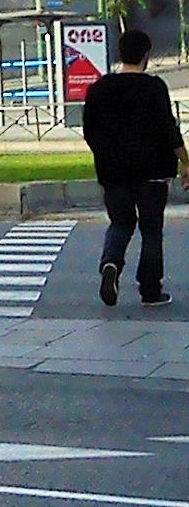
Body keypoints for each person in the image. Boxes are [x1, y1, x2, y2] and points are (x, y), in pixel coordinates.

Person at [83, 28, 185, 307]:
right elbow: (168, 130)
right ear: (146, 55)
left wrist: (106, 155)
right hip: (153, 171)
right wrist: (185, 162)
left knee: (120, 222)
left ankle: (111, 262)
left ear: (120, 53)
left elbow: (90, 131)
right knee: (151, 229)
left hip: (113, 172)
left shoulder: (99, 88)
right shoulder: (153, 87)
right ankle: (150, 291)